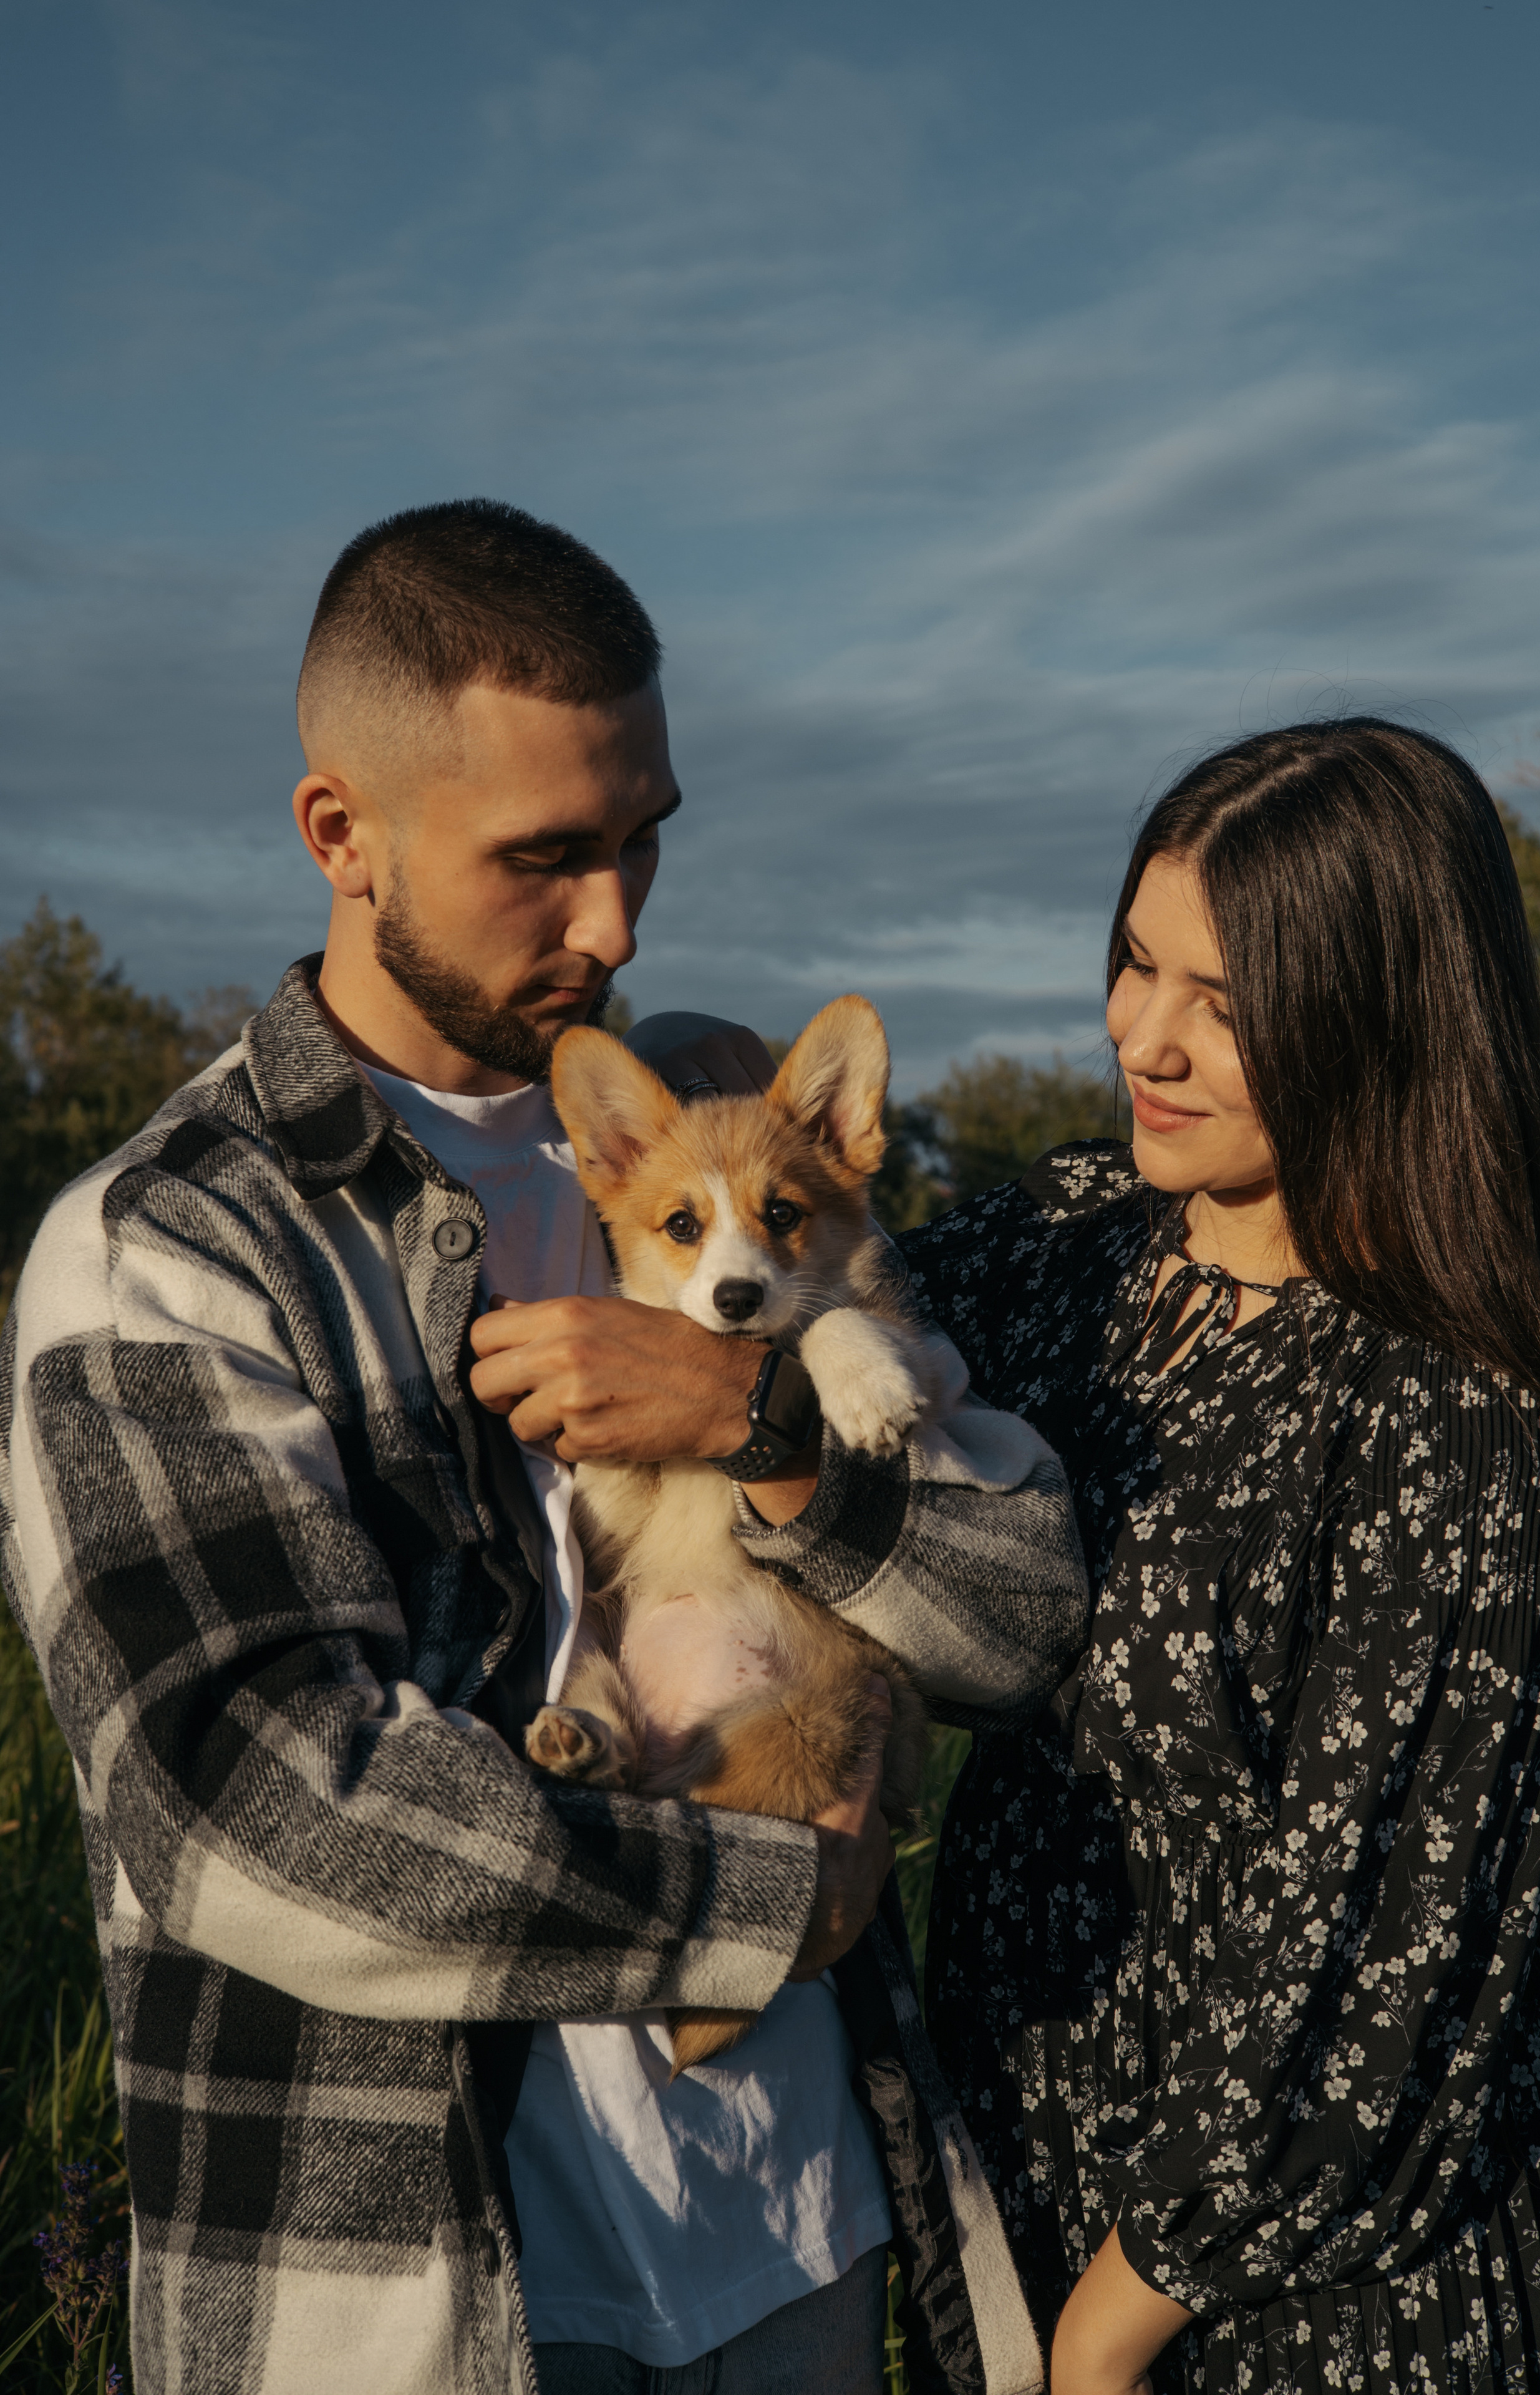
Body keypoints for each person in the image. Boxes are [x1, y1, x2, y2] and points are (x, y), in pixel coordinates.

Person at [0, 500, 1085, 2395]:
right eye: (545, 859)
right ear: (342, 832)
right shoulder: (167, 1252)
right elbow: (255, 1808)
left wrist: (759, 1424)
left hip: (800, 2235)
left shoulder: (709, 1140)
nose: (617, 923)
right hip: (423, 2299)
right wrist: (783, 1902)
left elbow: (1017, 1617)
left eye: (644, 839)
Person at [901, 720, 1540, 2394]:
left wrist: (1116, 2322)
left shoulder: (1461, 1421)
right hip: (1036, 2209)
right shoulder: (1066, 1249)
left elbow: (1376, 1958)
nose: (1147, 1036)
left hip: (1310, 2304)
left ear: (1381, 1018)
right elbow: (793, 1298)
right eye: (1137, 964)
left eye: (1227, 1002)